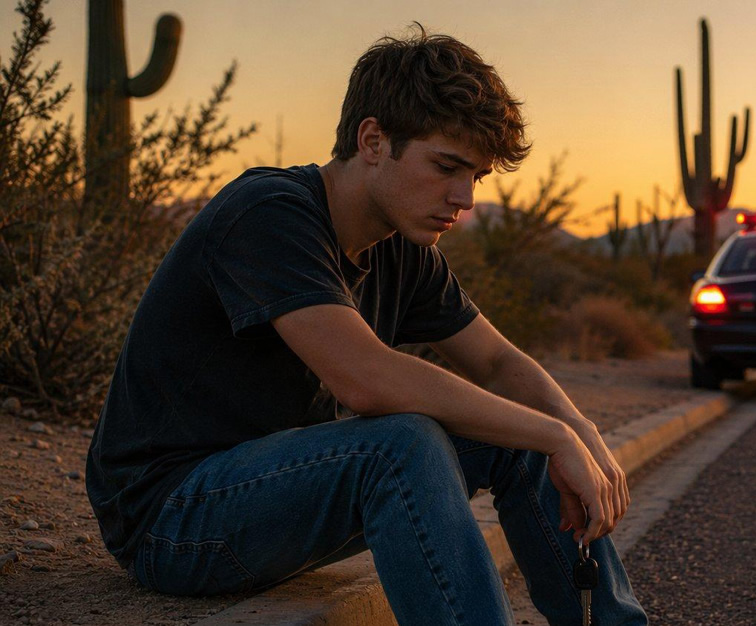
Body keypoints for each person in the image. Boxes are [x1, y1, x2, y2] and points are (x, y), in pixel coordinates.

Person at [86, 27, 647, 625]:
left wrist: (577, 431)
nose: (464, 198)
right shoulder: (269, 213)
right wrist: (553, 434)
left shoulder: (404, 249)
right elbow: (365, 379)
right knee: (403, 444)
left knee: (518, 432)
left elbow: (499, 364)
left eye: (476, 177)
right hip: (172, 521)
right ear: (373, 140)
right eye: (447, 166)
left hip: (279, 497)